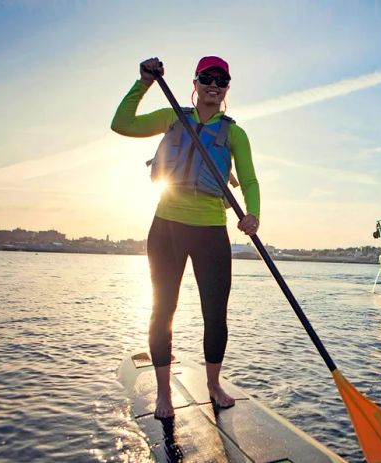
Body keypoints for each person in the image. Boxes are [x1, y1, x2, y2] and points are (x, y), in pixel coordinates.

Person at [111, 56, 260, 418]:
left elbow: (250, 180)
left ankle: (213, 384)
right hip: (167, 227)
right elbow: (122, 124)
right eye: (207, 78)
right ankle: (164, 394)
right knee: (163, 310)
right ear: (194, 83)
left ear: (226, 88)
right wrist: (144, 82)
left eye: (221, 80)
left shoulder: (235, 134)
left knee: (215, 314)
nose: (214, 84)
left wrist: (253, 213)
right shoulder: (171, 117)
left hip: (211, 230)